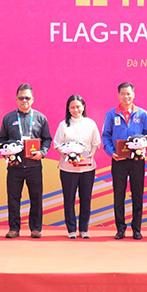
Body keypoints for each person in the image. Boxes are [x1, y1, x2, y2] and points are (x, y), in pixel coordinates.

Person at [0, 84, 51, 239]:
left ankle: (35, 228)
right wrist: (6, 154)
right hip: (15, 166)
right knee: (13, 198)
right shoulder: (8, 118)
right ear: (16, 99)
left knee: (36, 197)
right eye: (21, 98)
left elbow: (47, 139)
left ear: (32, 99)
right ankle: (14, 228)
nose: (24, 100)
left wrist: (42, 153)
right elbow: (2, 139)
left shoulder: (41, 118)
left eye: (27, 98)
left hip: (34, 165)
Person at [102, 83, 147, 240]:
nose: (126, 97)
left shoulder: (142, 114)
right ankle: (120, 228)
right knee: (119, 194)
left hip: (137, 160)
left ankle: (137, 228)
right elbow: (106, 136)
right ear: (118, 95)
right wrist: (112, 152)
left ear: (133, 95)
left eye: (128, 94)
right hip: (119, 160)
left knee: (137, 194)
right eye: (123, 94)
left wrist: (143, 148)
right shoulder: (111, 115)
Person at [54, 94, 101, 239]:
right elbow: (57, 145)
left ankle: (84, 229)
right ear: (68, 109)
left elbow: (96, 143)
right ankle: (71, 230)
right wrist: (68, 158)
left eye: (78, 106)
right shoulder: (63, 125)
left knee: (86, 199)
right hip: (68, 168)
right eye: (73, 107)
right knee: (69, 200)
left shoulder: (90, 123)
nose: (76, 110)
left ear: (83, 107)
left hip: (87, 168)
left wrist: (92, 154)